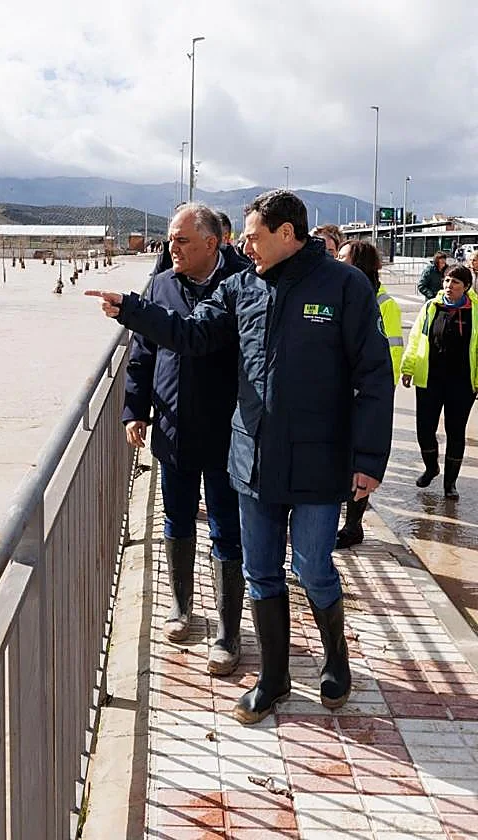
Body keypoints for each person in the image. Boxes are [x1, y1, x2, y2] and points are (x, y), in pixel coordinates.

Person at [86, 190, 394, 725]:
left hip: (321, 461)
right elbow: (191, 334)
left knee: (313, 566)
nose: (243, 245)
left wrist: (367, 459)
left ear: (286, 234)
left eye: (252, 236)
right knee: (260, 572)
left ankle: (335, 661)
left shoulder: (345, 288)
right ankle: (273, 679)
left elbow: (373, 376)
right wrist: (133, 310)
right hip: (251, 457)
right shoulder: (241, 287)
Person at [123, 204, 250, 674]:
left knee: (226, 529)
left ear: (212, 243)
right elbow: (142, 355)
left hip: (228, 431)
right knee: (176, 519)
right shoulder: (160, 285)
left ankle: (228, 633)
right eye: (169, 240)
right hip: (173, 427)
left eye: (180, 241)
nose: (170, 248)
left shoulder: (244, 284)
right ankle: (180, 608)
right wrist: (135, 411)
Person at [335, 240, 402, 547]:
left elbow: (389, 353)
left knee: (358, 458)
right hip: (339, 390)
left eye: (343, 258)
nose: (337, 262)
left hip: (364, 391)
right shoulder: (337, 290)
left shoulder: (383, 302)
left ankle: (353, 524)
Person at [401, 264, 478, 500]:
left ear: (466, 287)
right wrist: (408, 367)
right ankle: (431, 467)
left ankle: (450, 484)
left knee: (455, 432)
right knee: (424, 430)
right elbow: (416, 339)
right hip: (430, 379)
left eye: (455, 282)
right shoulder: (431, 307)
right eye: (446, 281)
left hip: (462, 383)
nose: (448, 286)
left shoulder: (475, 311)